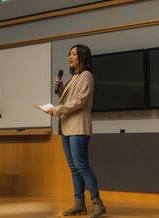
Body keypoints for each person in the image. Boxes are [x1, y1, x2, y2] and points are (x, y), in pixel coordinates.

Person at [44, 44, 106, 217]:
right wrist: (61, 90)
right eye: (69, 54)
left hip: (78, 127)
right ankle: (79, 203)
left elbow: (80, 102)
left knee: (81, 166)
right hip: (67, 127)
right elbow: (70, 99)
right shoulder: (75, 77)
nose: (70, 57)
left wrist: (56, 110)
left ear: (82, 57)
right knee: (73, 167)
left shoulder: (87, 76)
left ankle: (98, 203)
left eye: (74, 54)